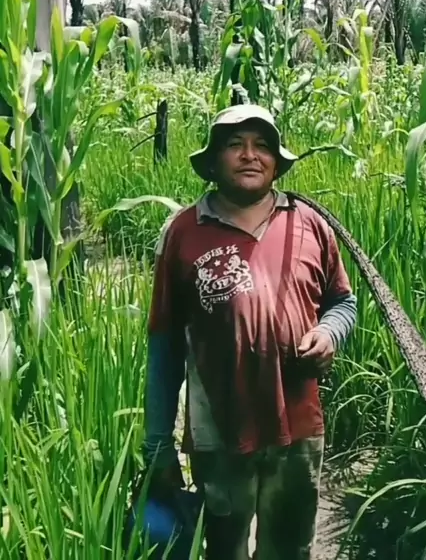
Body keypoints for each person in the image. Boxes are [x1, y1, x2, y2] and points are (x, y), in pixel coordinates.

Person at [144, 105, 357, 560]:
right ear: (213, 161)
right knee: (225, 548)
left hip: (298, 427)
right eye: (234, 145)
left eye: (262, 146)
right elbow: (163, 346)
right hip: (218, 432)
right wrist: (158, 444)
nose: (249, 155)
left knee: (290, 548)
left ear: (276, 162)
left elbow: (343, 303)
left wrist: (329, 333)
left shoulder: (309, 224)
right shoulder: (184, 231)